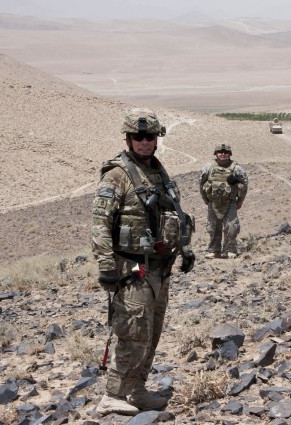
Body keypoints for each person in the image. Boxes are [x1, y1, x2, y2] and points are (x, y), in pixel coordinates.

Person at [92, 108, 195, 416]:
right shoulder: (117, 176)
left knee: (152, 331)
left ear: (157, 139)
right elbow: (99, 223)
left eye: (149, 136)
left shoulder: (160, 174)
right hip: (132, 269)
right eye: (138, 137)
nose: (144, 142)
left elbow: (175, 215)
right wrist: (106, 266)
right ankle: (113, 394)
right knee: (132, 331)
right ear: (128, 138)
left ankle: (137, 389)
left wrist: (186, 249)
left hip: (160, 267)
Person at [199, 144, 248, 259]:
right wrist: (206, 199)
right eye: (220, 152)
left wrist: (240, 200)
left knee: (231, 227)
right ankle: (214, 250)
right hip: (213, 202)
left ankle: (230, 249)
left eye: (226, 152)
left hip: (230, 202)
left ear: (229, 154)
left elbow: (244, 185)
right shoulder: (208, 167)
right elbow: (201, 184)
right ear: (215, 153)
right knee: (212, 227)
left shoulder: (236, 169)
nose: (223, 154)